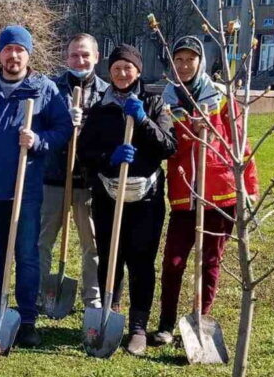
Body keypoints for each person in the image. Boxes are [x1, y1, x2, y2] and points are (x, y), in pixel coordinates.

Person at [0, 25, 72, 347]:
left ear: (28, 53)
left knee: (26, 255)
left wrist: (39, 139)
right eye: (8, 49)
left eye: (19, 49)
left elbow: (63, 128)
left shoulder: (43, 89)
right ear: (0, 53)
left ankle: (28, 318)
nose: (13, 55)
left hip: (27, 188)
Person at [154, 36, 259, 345]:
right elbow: (166, 145)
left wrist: (248, 188)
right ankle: (165, 324)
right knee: (173, 262)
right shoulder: (166, 101)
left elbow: (240, 145)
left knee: (210, 262)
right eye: (179, 60)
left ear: (201, 62)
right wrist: (188, 132)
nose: (185, 65)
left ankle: (200, 321)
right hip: (184, 193)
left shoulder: (221, 99)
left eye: (191, 59)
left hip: (219, 193)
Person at [78, 44, 176, 356]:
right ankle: (111, 315)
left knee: (141, 261)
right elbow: (85, 154)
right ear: (110, 71)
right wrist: (110, 158)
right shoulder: (100, 109)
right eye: (117, 68)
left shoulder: (154, 102)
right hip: (108, 196)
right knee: (110, 259)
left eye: (128, 67)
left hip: (146, 199)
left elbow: (168, 147)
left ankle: (137, 328)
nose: (122, 73)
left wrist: (144, 121)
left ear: (137, 70)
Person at [39, 33, 108, 311]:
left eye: (85, 55)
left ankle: (92, 298)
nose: (79, 60)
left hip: (89, 181)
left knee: (92, 244)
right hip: (54, 177)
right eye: (74, 55)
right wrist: (61, 121)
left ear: (96, 57)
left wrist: (87, 123)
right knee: (42, 242)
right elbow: (39, 126)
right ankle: (41, 293)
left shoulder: (106, 91)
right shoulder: (51, 88)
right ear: (66, 57)